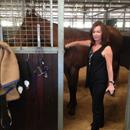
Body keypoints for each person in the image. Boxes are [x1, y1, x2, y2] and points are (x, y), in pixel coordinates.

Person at [65, 21, 115, 130]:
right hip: (91, 80)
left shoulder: (107, 49)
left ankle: (95, 126)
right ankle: (101, 122)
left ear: (103, 33)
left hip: (100, 81)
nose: (95, 34)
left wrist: (111, 83)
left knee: (95, 105)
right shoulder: (91, 44)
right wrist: (68, 45)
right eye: (94, 32)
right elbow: (78, 42)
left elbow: (110, 67)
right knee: (98, 102)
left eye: (98, 32)